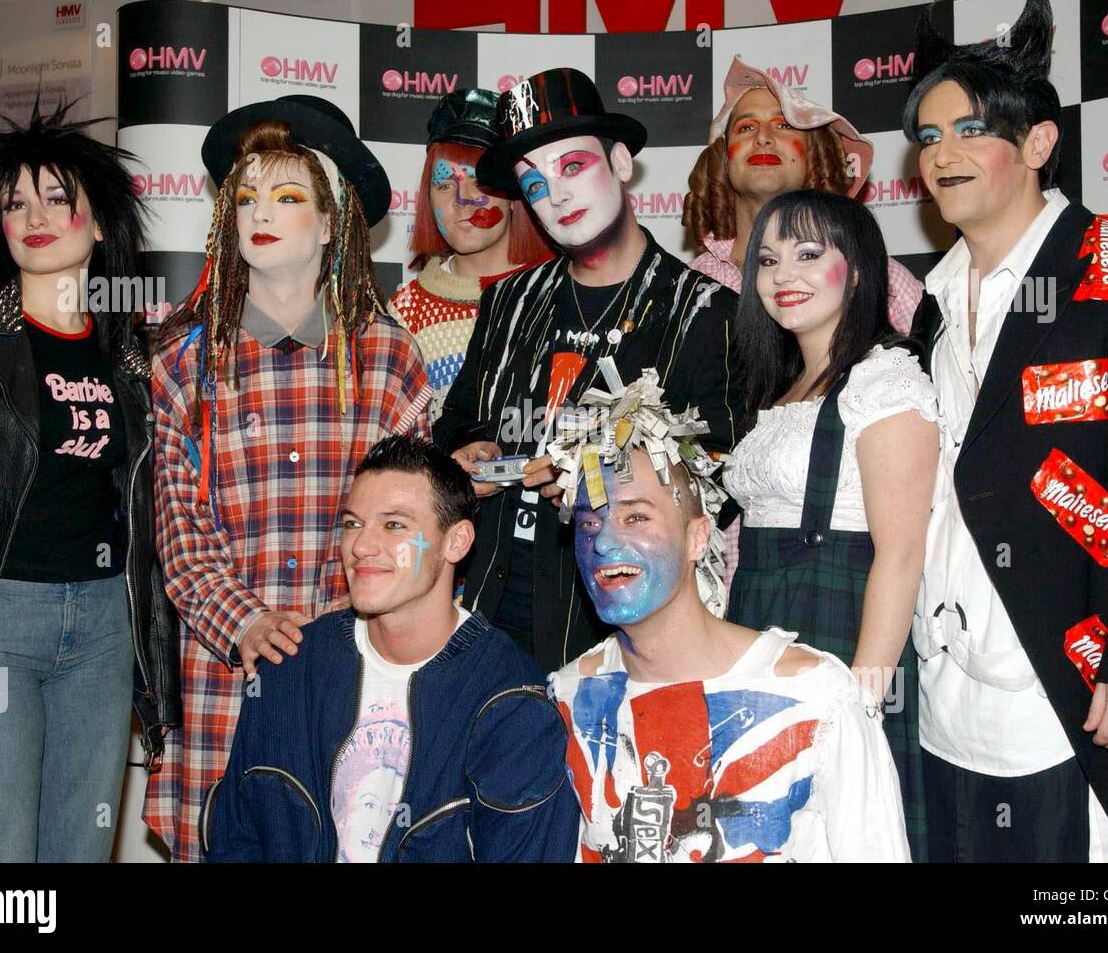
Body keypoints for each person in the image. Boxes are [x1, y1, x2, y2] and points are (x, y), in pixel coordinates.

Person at [905, 0, 1108, 862]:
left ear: (1039, 143)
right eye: (928, 137)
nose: (943, 154)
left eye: (968, 129)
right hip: (943, 712)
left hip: (1077, 709)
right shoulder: (924, 308)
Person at [144, 95, 432, 863]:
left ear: (333, 221)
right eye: (244, 196)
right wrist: (243, 621)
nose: (258, 212)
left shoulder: (388, 360)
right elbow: (178, 531)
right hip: (224, 684)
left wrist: (348, 628)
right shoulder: (183, 363)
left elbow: (411, 530)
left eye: (287, 195)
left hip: (356, 684)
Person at [0, 98, 178, 861]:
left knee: (76, 853)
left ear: (100, 224)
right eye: (15, 200)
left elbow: (148, 520)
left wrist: (156, 682)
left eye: (59, 198)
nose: (33, 214)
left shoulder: (134, 358)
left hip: (101, 632)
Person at [437, 67, 738, 671]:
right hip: (488, 610)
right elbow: (458, 420)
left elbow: (719, 478)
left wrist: (598, 479)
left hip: (620, 625)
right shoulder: (509, 300)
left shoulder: (705, 312)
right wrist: (470, 449)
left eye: (572, 167)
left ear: (621, 163)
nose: (558, 195)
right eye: (535, 184)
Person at [545, 367, 910, 862]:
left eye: (636, 516)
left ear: (698, 537)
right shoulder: (571, 697)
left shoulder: (815, 698)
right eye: (589, 523)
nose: (604, 542)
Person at [205, 435, 579, 862]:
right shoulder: (286, 670)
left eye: (394, 525)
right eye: (352, 523)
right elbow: (235, 845)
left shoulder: (512, 707)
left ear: (456, 542)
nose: (362, 546)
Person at [722, 189, 937, 859]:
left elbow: (901, 555)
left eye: (810, 253)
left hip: (839, 638)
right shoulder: (778, 388)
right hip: (759, 635)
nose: (784, 275)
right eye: (768, 258)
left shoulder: (886, 381)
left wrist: (862, 705)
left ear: (861, 267)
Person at [685, 56, 923, 334]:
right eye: (746, 127)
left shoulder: (877, 276)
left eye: (783, 125)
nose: (762, 138)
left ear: (816, 155)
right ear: (723, 160)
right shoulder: (689, 285)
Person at [391, 88, 551, 422]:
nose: (461, 200)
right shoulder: (404, 314)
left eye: (479, 182)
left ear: (512, 195)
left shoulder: (560, 289)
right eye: (444, 185)